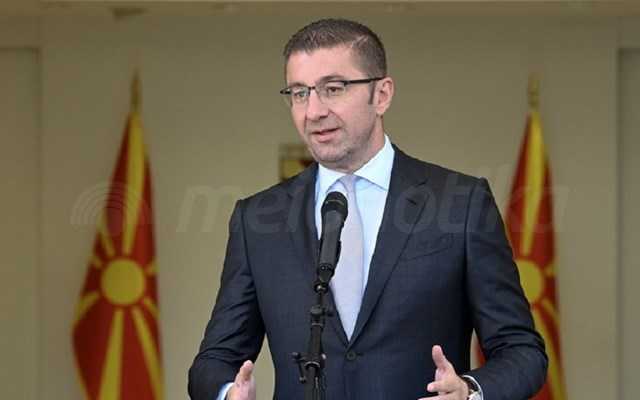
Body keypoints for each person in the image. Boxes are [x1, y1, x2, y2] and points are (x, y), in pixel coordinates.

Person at [188, 18, 547, 400]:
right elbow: (214, 361)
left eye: (333, 88)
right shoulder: (258, 219)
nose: (313, 111)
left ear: (382, 95)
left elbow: (522, 351)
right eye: (299, 93)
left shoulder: (461, 202)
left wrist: (470, 392)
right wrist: (227, 392)